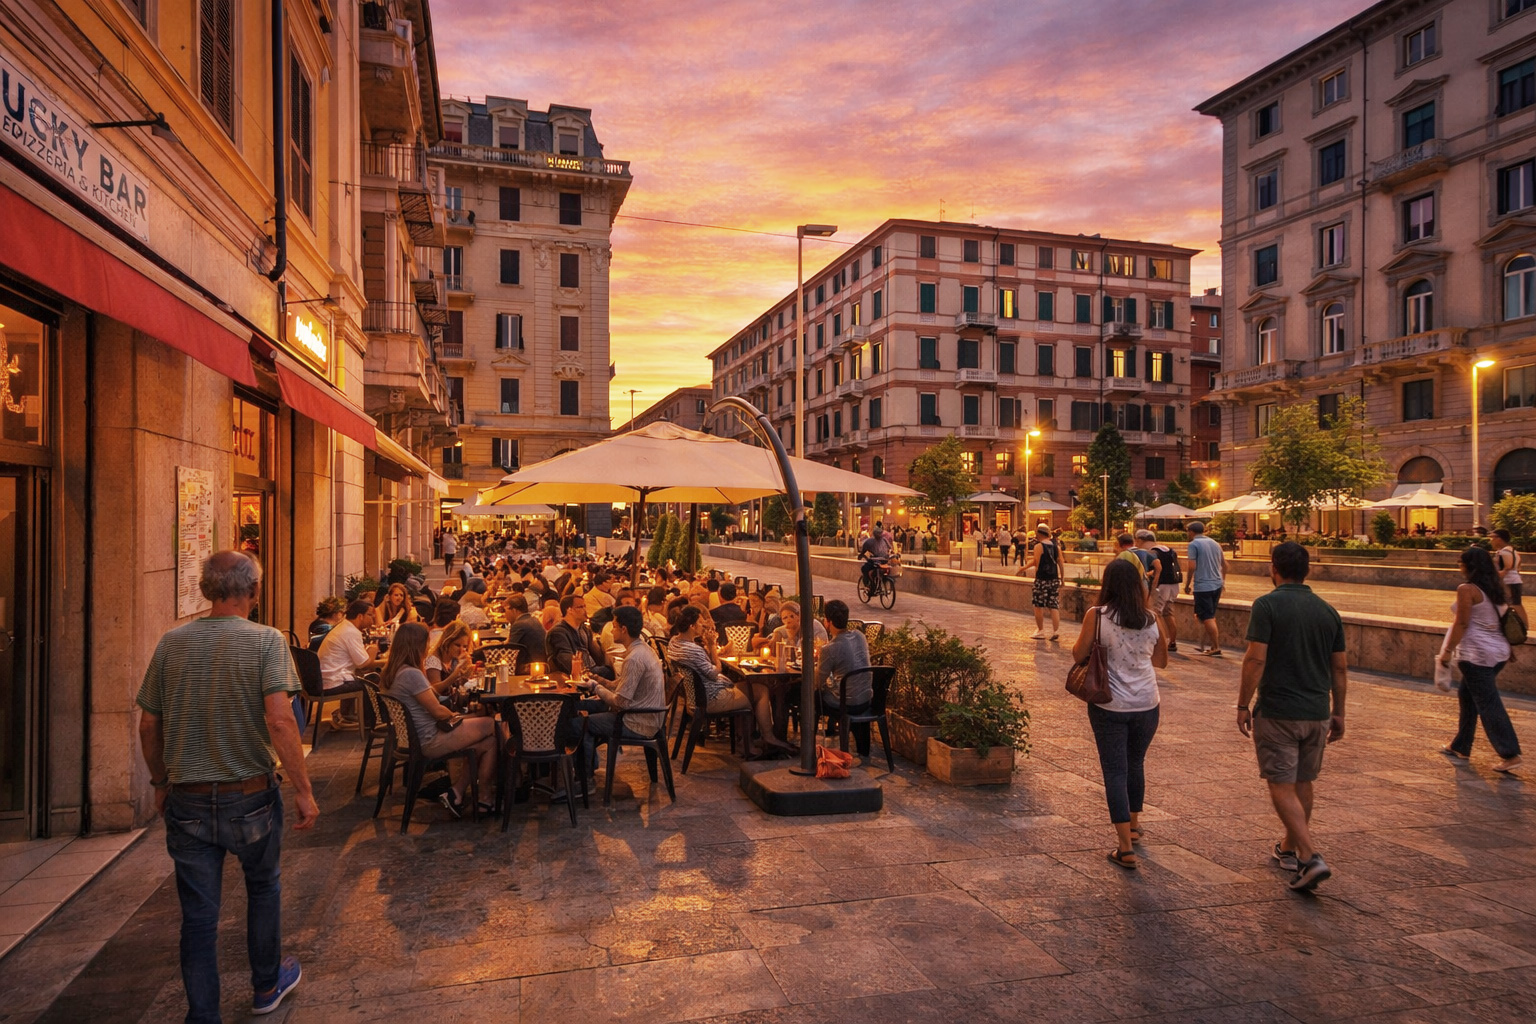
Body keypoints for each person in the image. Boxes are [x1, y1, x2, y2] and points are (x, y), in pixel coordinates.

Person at [136, 551, 316, 1020]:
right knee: (263, 888)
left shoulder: (171, 645)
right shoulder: (266, 642)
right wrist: (303, 788)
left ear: (206, 591)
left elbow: (148, 726)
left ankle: (203, 1015)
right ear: (253, 592)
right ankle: (265, 986)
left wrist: (160, 781)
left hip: (188, 796)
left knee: (198, 917)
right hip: (250, 792)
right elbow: (280, 721)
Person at [1237, 542, 1347, 892]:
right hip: (1317, 713)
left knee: (1281, 786)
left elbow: (1255, 659)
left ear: (1274, 568)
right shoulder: (1328, 611)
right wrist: (1339, 711)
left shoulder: (1267, 605)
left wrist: (1243, 703)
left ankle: (1310, 856)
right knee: (1303, 783)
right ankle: (1289, 848)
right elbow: (1340, 667)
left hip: (1279, 711)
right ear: (1307, 570)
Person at [1073, 558, 1167, 869]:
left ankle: (1125, 847)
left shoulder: (1097, 616)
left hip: (1109, 703)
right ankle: (1135, 826)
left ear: (1107, 584)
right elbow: (1162, 661)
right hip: (1147, 704)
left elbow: (1078, 654)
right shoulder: (1151, 619)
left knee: (1115, 771)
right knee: (1135, 762)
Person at [380, 623, 497, 818]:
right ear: (416, 646)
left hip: (415, 737)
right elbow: (437, 711)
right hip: (430, 739)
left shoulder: (392, 672)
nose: (427, 648)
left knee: (489, 742)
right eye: (425, 643)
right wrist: (457, 717)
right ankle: (485, 796)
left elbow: (428, 694)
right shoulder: (411, 673)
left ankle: (459, 794)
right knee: (492, 724)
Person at [667, 606, 793, 757]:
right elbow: (714, 672)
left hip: (696, 696)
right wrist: (712, 647)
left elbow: (702, 666)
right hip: (711, 698)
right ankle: (763, 739)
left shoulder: (674, 642)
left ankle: (749, 740)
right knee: (759, 692)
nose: (704, 626)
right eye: (701, 623)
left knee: (755, 687)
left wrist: (710, 648)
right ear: (692, 626)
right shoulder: (693, 649)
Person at [1440, 547, 1522, 772]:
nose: (1459, 566)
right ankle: (1461, 745)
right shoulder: (1495, 589)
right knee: (1467, 695)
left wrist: (1447, 652)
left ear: (1469, 566)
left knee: (1488, 702)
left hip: (1477, 655)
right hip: (1498, 653)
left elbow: (1462, 623)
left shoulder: (1467, 589)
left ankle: (1510, 752)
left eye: (1460, 562)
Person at [580, 606, 668, 775]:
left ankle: (585, 780)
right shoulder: (641, 648)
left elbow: (621, 702)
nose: (611, 631)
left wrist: (595, 687)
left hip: (637, 722)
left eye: (614, 626)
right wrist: (601, 680)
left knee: (580, 724)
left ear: (624, 629)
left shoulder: (634, 657)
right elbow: (624, 684)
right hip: (646, 715)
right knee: (583, 708)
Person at [316, 599, 387, 730]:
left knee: (360, 676)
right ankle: (369, 722)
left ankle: (346, 714)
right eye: (370, 615)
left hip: (326, 677)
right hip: (331, 682)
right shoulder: (350, 632)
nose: (373, 619)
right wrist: (373, 649)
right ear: (360, 616)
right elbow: (363, 664)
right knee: (372, 681)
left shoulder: (345, 627)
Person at [817, 599, 871, 722]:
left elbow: (817, 683)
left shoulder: (829, 648)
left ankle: (811, 737)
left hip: (846, 704)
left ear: (827, 622)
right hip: (866, 700)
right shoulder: (859, 636)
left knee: (813, 696)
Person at [1184, 521, 1227, 656]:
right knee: (1208, 615)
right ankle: (1204, 645)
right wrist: (1222, 580)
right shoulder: (1215, 543)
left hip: (1203, 586)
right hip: (1217, 585)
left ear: (1191, 531)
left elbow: (1191, 566)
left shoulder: (1193, 545)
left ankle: (1215, 647)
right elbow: (1225, 565)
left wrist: (1187, 584)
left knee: (1207, 616)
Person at [548, 594, 611, 679]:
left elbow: (597, 654)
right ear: (569, 610)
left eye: (585, 606)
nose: (585, 610)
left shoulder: (583, 628)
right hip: (573, 677)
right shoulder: (558, 632)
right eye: (581, 607)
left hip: (592, 670)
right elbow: (566, 661)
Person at [1143, 532, 1183, 652]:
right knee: (1168, 613)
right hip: (1174, 585)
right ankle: (1172, 642)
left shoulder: (1153, 552)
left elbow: (1156, 570)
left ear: (1142, 540)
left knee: (1157, 613)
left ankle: (1160, 643)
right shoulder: (1168, 549)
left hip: (1162, 586)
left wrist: (1153, 586)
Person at [1023, 525, 1062, 641]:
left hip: (1042, 579)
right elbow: (1060, 562)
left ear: (1039, 534)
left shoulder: (1038, 546)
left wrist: (1023, 568)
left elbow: (1036, 562)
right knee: (1053, 605)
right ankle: (1056, 630)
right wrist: (1063, 578)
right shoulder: (1056, 547)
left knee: (1038, 605)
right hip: (1054, 578)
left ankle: (1040, 630)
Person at [501, 593, 548, 672]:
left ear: (514, 610)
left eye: (505, 610)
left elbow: (509, 651)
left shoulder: (519, 624)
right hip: (542, 664)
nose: (505, 614)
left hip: (529, 667)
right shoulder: (533, 619)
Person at [425, 621, 475, 694]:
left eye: (464, 646)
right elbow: (434, 690)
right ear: (447, 641)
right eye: (457, 645)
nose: (461, 650)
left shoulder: (454, 660)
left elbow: (460, 686)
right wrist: (454, 676)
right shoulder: (433, 659)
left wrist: (466, 673)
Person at [1492, 529, 1526, 628]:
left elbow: (1507, 568)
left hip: (1509, 581)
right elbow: (1518, 567)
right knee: (1514, 604)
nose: (1491, 540)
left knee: (1515, 604)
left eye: (1493, 537)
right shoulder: (1513, 551)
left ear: (1499, 539)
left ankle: (1524, 626)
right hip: (1514, 580)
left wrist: (1496, 577)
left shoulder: (1504, 552)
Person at [858, 525, 894, 590]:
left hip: (875, 561)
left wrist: (861, 555)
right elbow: (890, 548)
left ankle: (869, 585)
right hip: (885, 560)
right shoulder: (884, 540)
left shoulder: (869, 541)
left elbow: (863, 551)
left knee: (864, 568)